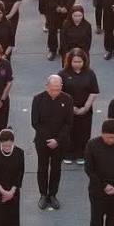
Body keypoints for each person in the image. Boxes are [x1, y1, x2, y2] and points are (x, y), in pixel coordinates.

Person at [31, 73, 71, 210]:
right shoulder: (38, 99)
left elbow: (68, 123)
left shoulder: (67, 99)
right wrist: (50, 139)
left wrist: (57, 140)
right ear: (46, 86)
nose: (55, 92)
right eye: (52, 88)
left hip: (60, 142)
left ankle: (53, 194)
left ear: (61, 86)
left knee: (56, 168)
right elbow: (35, 122)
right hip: (42, 141)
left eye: (58, 88)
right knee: (42, 167)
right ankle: (43, 194)